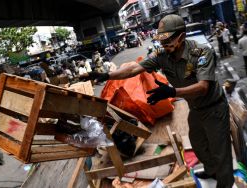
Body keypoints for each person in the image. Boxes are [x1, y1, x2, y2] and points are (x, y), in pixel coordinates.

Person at [83, 14, 234, 188]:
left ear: (181, 37)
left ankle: (225, 183)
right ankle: (211, 169)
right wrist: (106, 75)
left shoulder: (201, 53)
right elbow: (134, 69)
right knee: (198, 143)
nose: (163, 45)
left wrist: (172, 91)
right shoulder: (162, 54)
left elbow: (203, 87)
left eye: (167, 41)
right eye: (161, 41)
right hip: (196, 108)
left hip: (214, 108)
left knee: (220, 151)